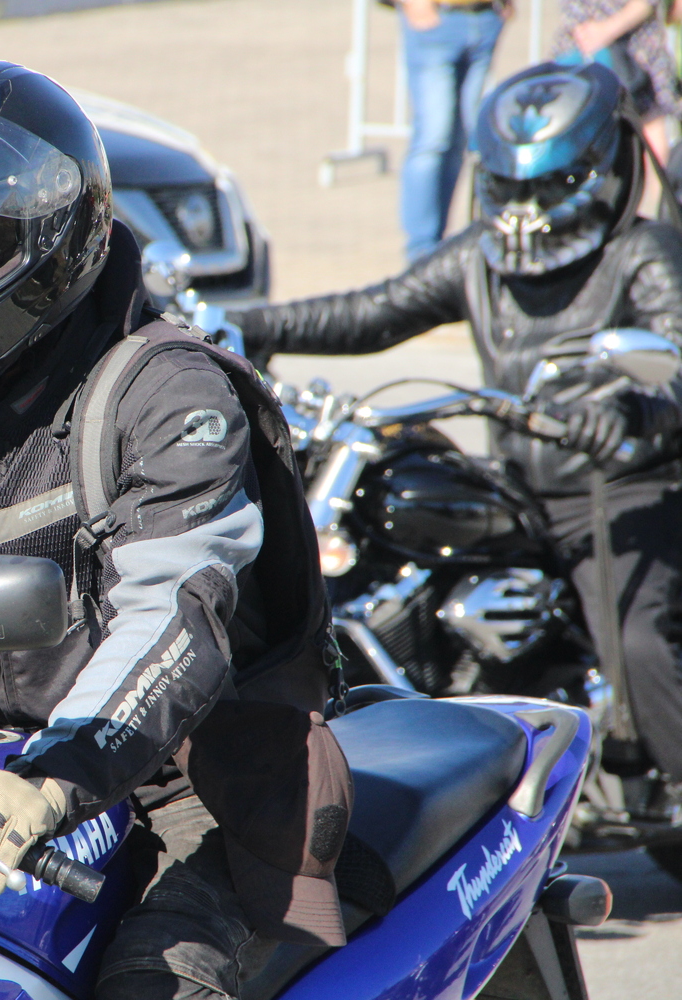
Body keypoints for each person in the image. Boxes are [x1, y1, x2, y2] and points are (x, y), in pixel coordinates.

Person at [0, 54, 351, 1000]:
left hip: (198, 791)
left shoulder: (168, 395)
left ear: (48, 244)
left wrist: (55, 775)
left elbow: (176, 613)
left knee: (149, 985)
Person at [232, 61, 682, 790]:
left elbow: (676, 359)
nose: (526, 209)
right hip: (516, 486)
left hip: (623, 490)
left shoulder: (643, 253)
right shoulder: (480, 257)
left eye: (550, 187)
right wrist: (243, 326)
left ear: (603, 168)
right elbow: (374, 311)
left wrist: (626, 412)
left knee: (638, 641)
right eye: (511, 187)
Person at [394, 0, 512, 261]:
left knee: (458, 141)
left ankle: (437, 248)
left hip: (484, 17)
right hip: (438, 18)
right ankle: (421, 253)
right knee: (433, 139)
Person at [555, 1, 680, 182]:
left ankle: (655, 195)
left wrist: (607, 30)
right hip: (579, 50)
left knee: (649, 125)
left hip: (633, 52)